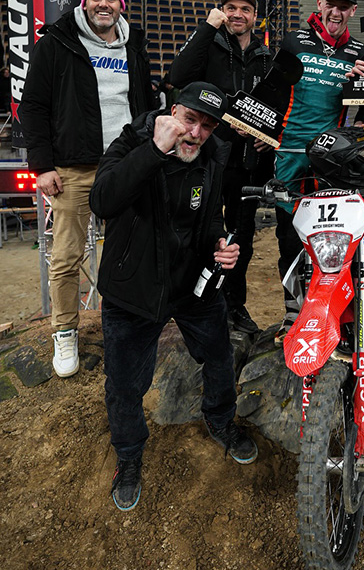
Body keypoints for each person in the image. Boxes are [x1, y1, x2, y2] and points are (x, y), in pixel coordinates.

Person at [89, 82, 258, 512]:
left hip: (191, 284)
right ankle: (129, 455)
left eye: (207, 126)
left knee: (219, 356)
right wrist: (153, 150)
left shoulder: (213, 155)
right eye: (190, 120)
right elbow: (103, 201)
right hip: (134, 289)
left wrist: (220, 242)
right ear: (173, 111)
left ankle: (220, 420)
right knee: (125, 384)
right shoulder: (133, 141)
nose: (196, 133)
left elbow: (210, 214)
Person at [20, 0, 152, 378]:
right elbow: (33, 105)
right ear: (84, 2)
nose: (103, 5)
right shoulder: (57, 42)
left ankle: (122, 326)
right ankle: (64, 331)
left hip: (124, 163)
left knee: (128, 252)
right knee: (66, 255)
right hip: (73, 167)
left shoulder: (134, 45)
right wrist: (42, 166)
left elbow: (144, 103)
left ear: (120, 5)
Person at [170, 0, 273, 336]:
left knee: (241, 237)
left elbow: (274, 107)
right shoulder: (208, 44)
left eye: (245, 9)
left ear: (255, 16)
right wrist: (208, 27)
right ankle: (197, 304)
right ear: (221, 11)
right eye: (231, 8)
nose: (237, 14)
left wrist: (266, 137)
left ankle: (234, 304)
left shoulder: (265, 56)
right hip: (208, 159)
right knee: (201, 232)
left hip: (248, 163)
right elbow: (177, 77)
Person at [274, 0, 364, 341]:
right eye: (330, 4)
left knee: (332, 238)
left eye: (343, 6)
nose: (336, 12)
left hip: (331, 158)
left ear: (353, 11)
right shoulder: (293, 41)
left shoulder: (359, 51)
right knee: (289, 235)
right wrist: (267, 134)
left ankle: (331, 309)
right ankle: (292, 310)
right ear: (319, 5)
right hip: (289, 153)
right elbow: (273, 91)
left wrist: (360, 87)